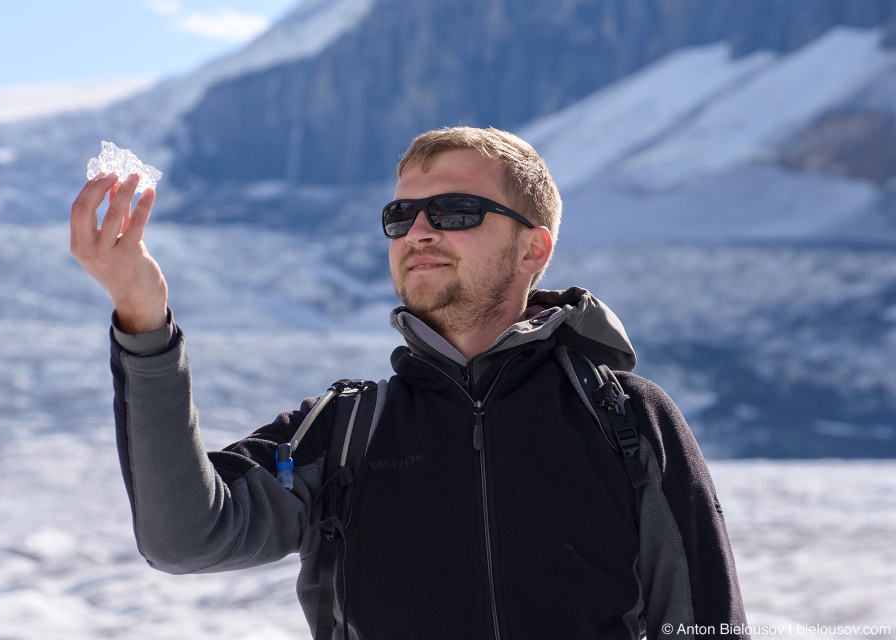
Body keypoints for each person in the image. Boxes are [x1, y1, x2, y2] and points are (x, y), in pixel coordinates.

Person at [70, 126, 748, 639]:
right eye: (402, 217)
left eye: (454, 211)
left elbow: (706, 622)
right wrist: (144, 321)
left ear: (533, 249)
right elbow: (184, 538)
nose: (419, 231)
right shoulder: (344, 431)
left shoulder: (624, 418)